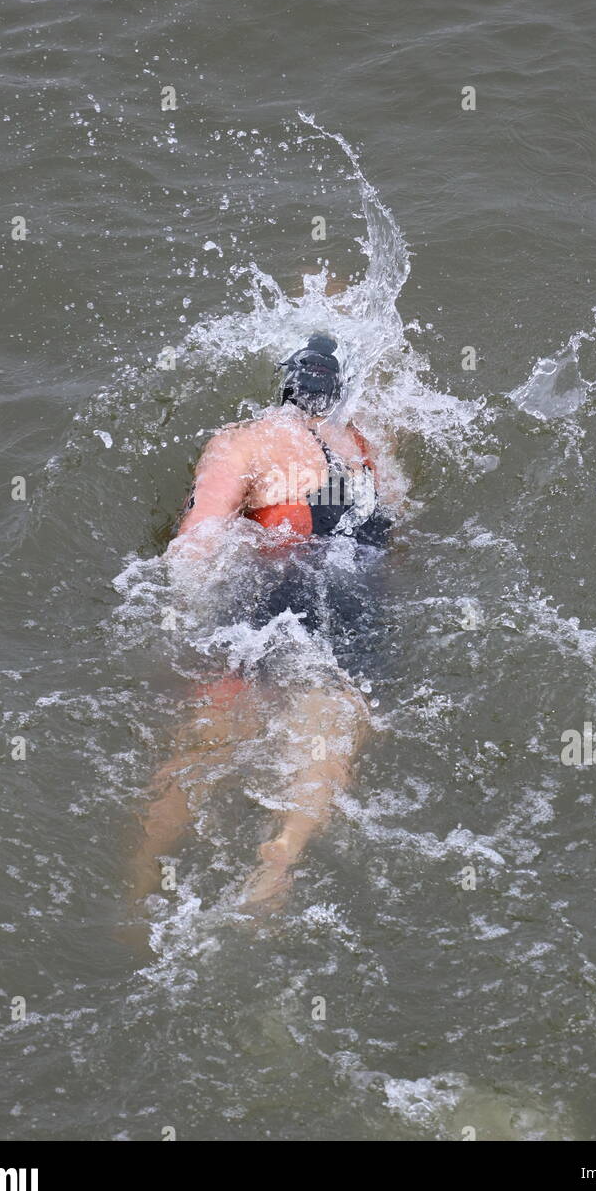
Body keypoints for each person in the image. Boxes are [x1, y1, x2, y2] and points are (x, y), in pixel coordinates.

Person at [129, 326, 395, 913]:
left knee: (210, 729)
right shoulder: (367, 446)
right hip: (356, 594)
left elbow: (196, 546)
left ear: (284, 383)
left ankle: (142, 876)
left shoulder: (245, 441)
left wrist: (181, 616)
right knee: (330, 718)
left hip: (275, 588)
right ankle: (283, 852)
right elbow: (398, 535)